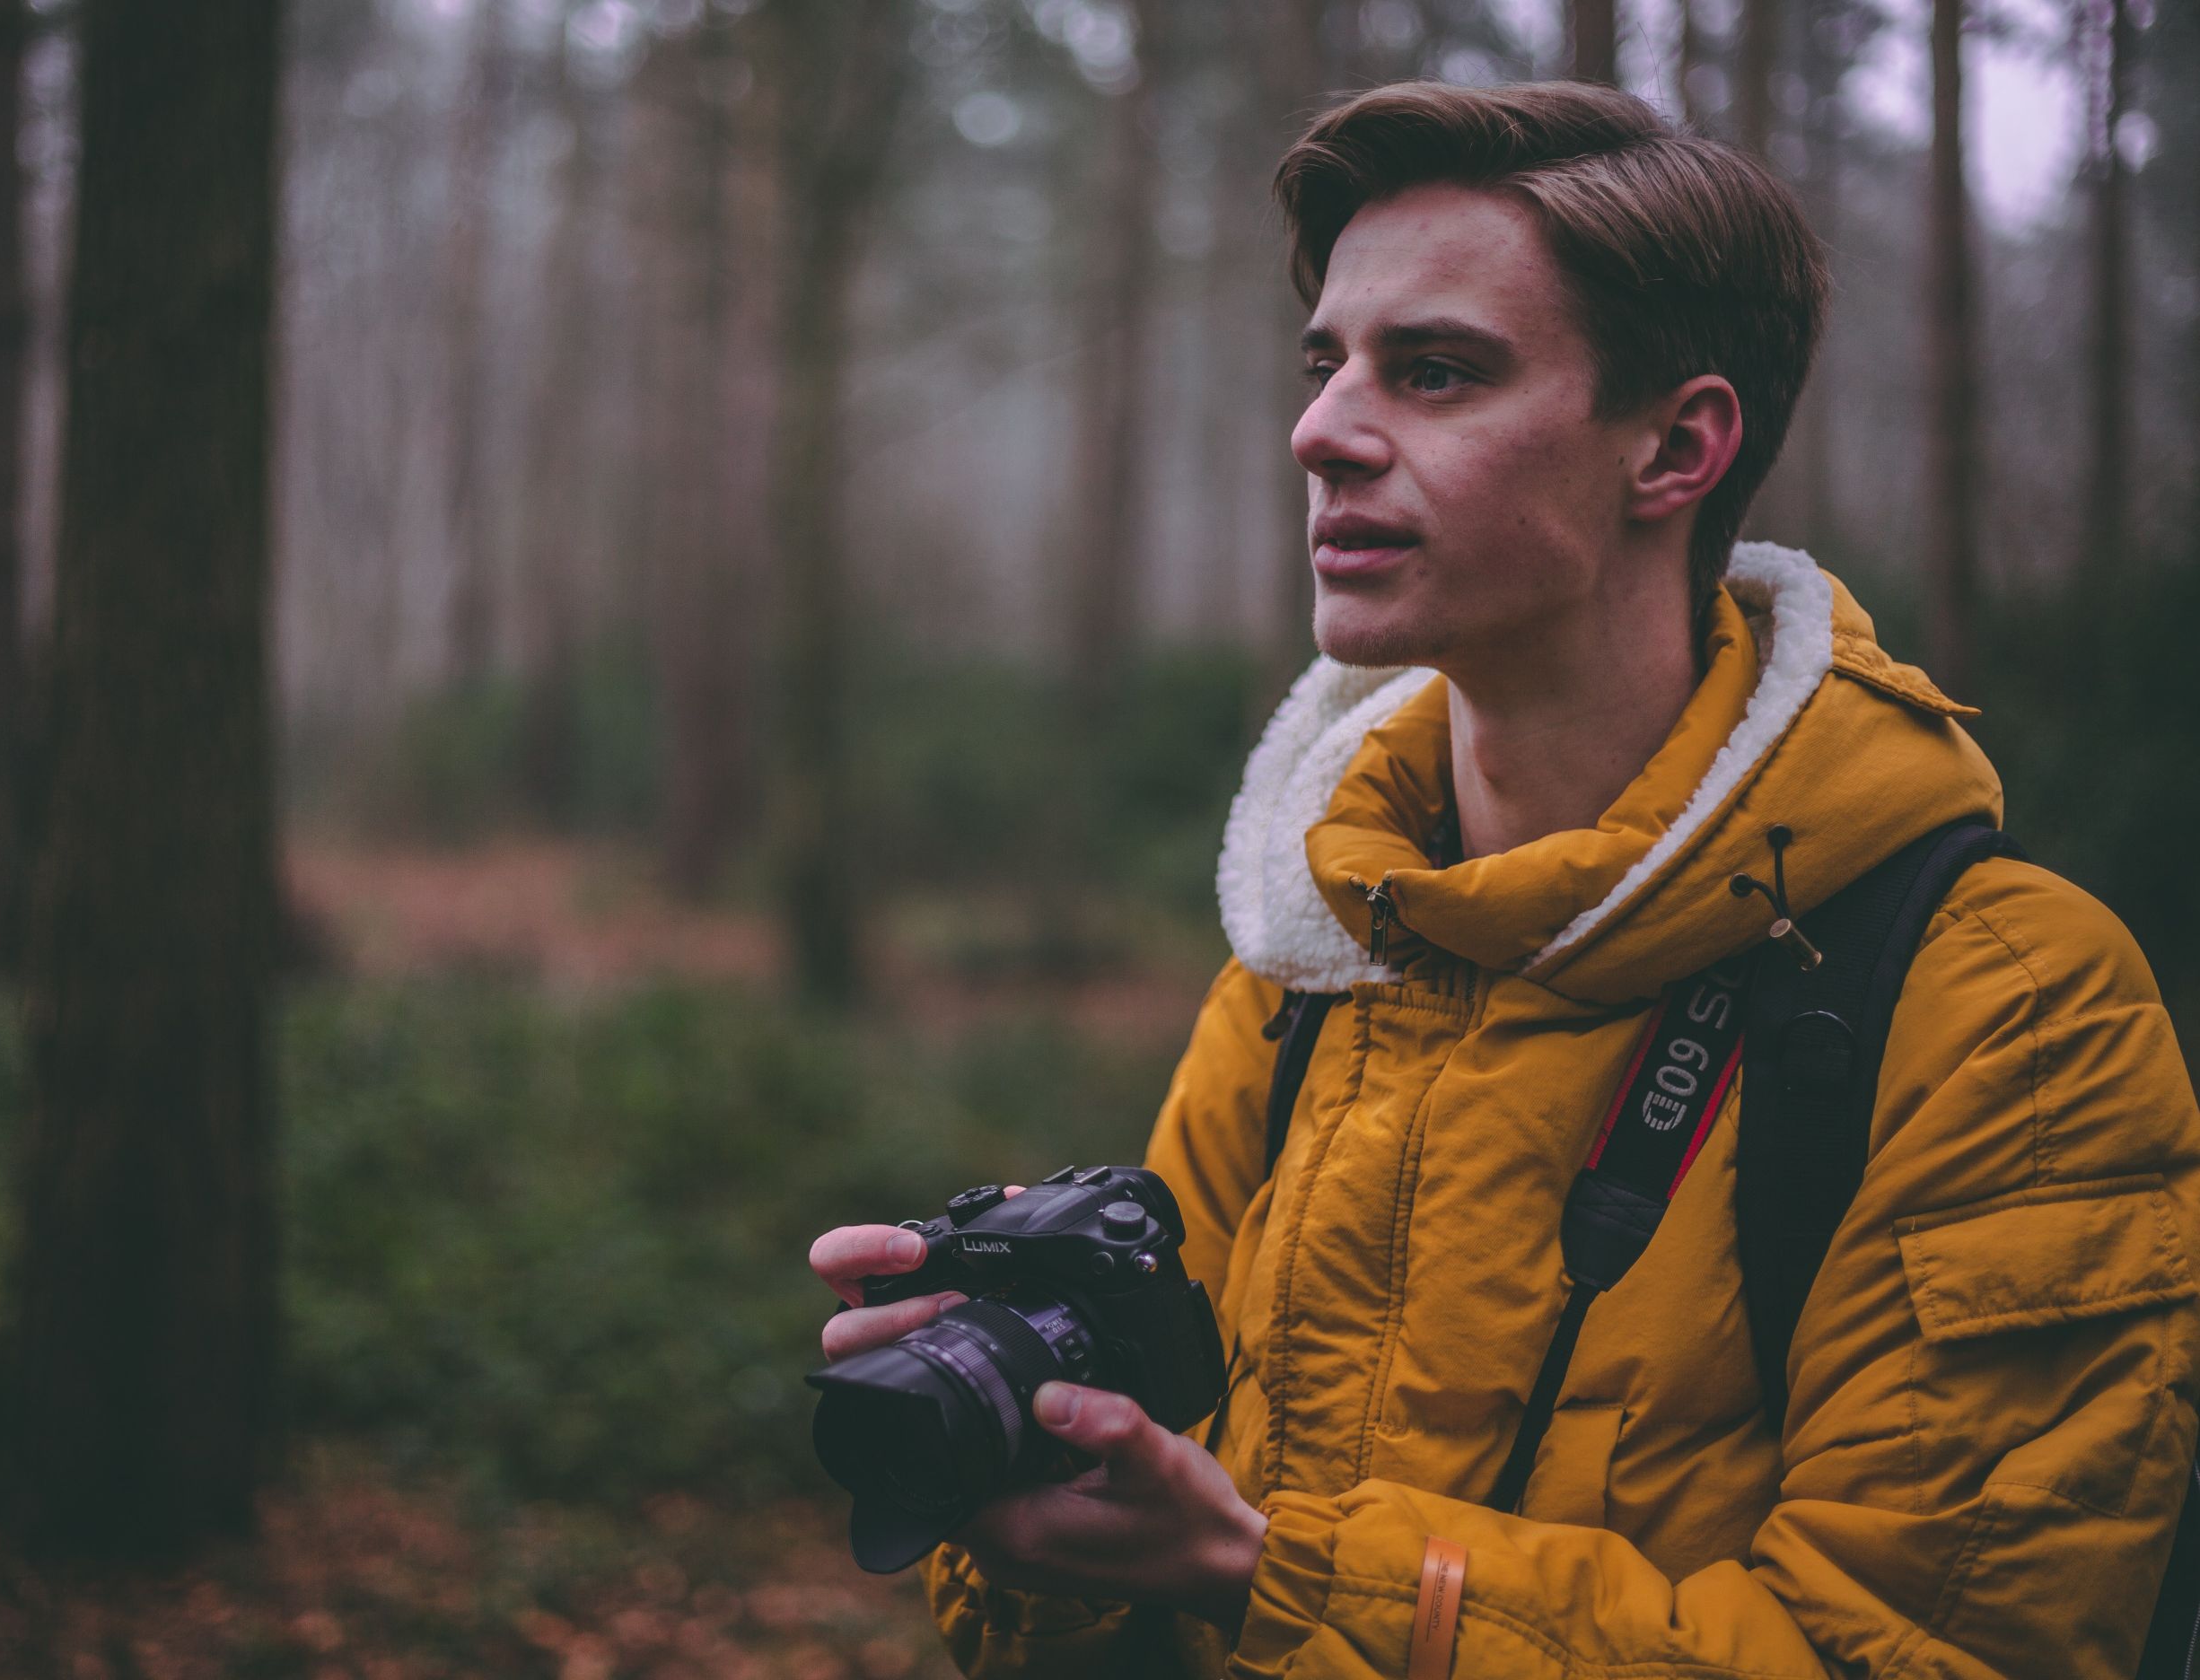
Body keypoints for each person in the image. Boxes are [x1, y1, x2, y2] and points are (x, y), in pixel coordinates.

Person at [808, 79, 2200, 1677]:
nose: (1320, 431)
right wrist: (1029, 1451)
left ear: (1676, 446)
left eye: (1439, 373)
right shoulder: (1310, 951)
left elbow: (1923, 1652)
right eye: (1326, 363)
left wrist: (1270, 1577)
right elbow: (1128, 1576)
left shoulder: (2006, 1007)